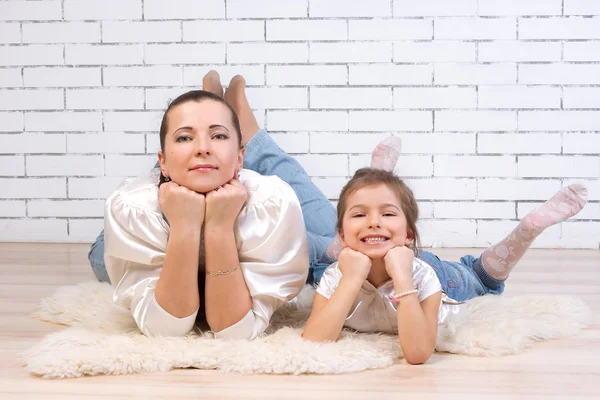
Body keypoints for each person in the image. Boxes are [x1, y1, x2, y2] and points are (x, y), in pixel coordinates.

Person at [100, 72, 326, 340]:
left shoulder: (270, 203)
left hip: (254, 218)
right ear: (160, 161)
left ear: (241, 159)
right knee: (98, 255)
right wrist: (184, 226)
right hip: (168, 191)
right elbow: (165, 330)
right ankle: (208, 123)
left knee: (340, 245)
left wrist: (218, 227)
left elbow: (235, 331)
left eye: (218, 135)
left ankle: (244, 130)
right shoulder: (134, 206)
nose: (203, 148)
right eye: (185, 138)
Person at [301, 167, 588, 364]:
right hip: (373, 256)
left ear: (409, 234)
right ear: (341, 236)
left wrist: (402, 277)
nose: (373, 222)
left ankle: (524, 231)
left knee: (477, 280)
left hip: (432, 272)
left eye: (387, 213)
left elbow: (417, 353)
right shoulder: (335, 276)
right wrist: (351, 280)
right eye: (360, 214)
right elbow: (313, 340)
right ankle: (380, 184)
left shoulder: (423, 275)